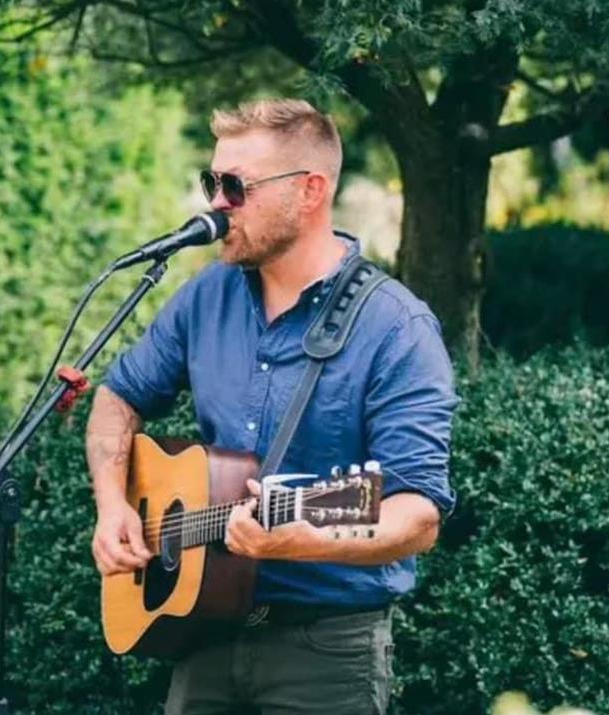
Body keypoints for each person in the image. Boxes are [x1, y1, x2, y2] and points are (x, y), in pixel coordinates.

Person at [86, 98, 458, 714]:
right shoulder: (206, 296)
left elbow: (417, 516)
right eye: (212, 182)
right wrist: (111, 504)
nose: (216, 203)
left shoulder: (396, 328)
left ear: (310, 191)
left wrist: (302, 540)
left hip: (327, 651)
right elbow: (117, 398)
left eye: (236, 187)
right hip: (203, 631)